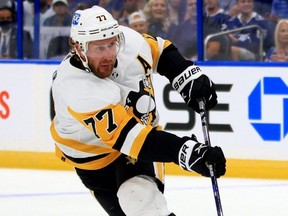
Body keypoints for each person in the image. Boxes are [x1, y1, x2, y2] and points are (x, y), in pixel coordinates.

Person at [50, 6, 226, 216]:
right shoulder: (76, 88)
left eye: (111, 44)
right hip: (92, 162)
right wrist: (189, 152)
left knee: (141, 201)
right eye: (99, 48)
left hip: (136, 145)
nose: (108, 55)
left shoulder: (127, 42)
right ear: (78, 48)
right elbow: (132, 139)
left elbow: (160, 50)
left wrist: (185, 76)